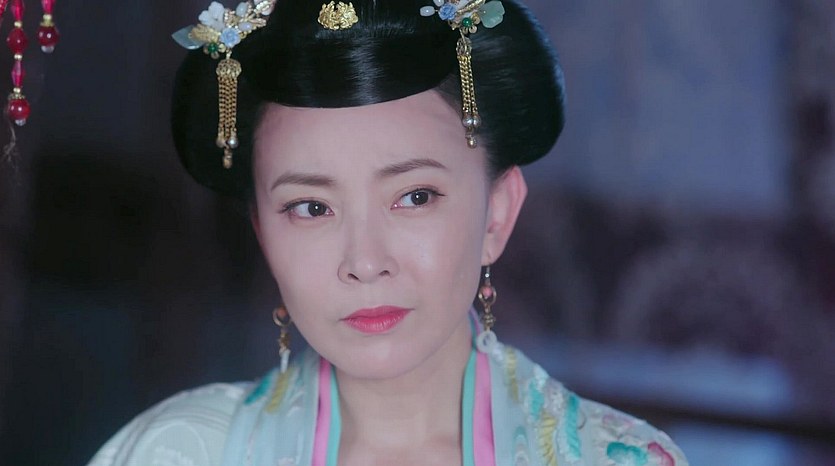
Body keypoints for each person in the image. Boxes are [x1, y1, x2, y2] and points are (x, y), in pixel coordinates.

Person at [88, 1, 688, 465]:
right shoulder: (176, 452)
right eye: (310, 208)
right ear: (262, 232)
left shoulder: (616, 458)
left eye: (415, 197)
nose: (365, 261)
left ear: (497, 213)